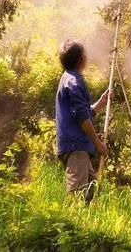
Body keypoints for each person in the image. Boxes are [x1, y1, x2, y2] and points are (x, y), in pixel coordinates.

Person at [55, 40, 111, 201]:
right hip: (76, 146)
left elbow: (80, 112)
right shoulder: (74, 81)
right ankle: (66, 225)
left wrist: (99, 105)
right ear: (81, 59)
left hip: (76, 147)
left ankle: (83, 225)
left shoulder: (68, 78)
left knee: (90, 193)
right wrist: (98, 143)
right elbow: (81, 117)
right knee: (77, 195)